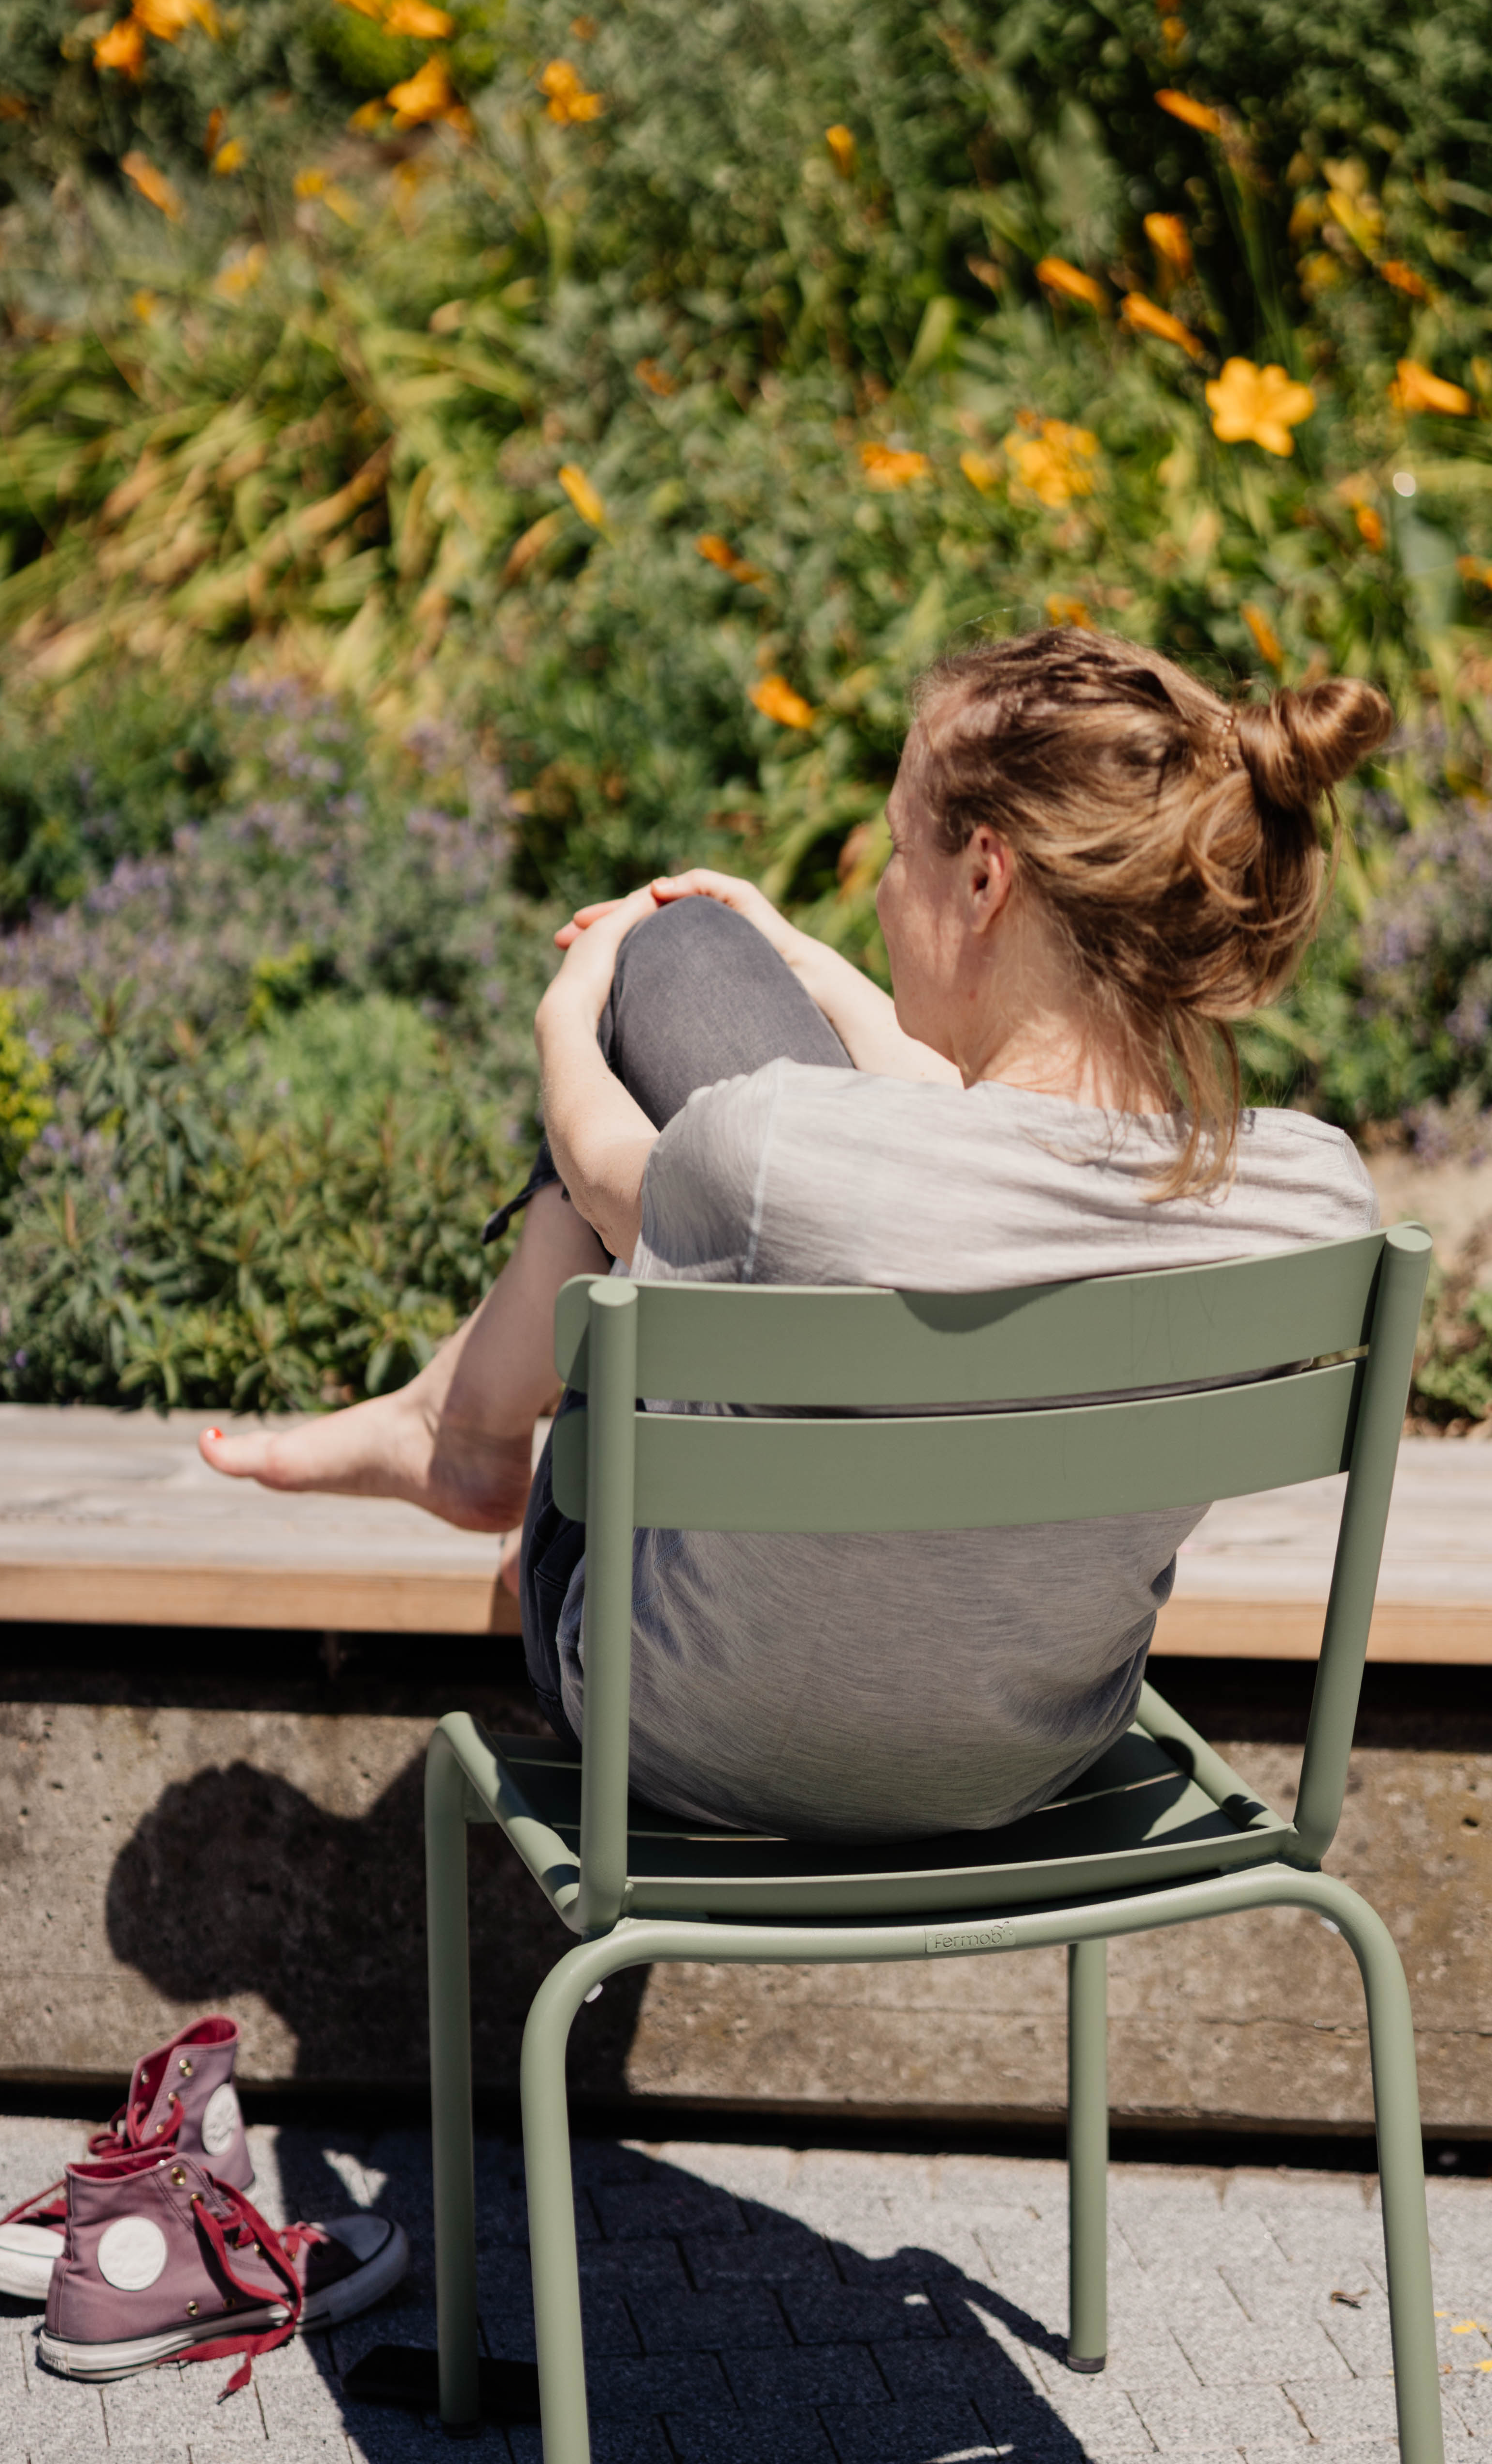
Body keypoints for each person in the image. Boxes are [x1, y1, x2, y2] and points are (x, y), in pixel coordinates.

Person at [201, 628, 1392, 1842]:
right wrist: (812, 969)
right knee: (746, 1110)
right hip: (1031, 1764)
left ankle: (461, 1429)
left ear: (986, 878)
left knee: (680, 963)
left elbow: (600, 1159)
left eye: (895, 846)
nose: (882, 890)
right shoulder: (1315, 1203)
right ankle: (457, 1424)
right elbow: (1008, 1170)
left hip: (677, 1736)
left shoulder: (771, 1158)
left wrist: (582, 1000)